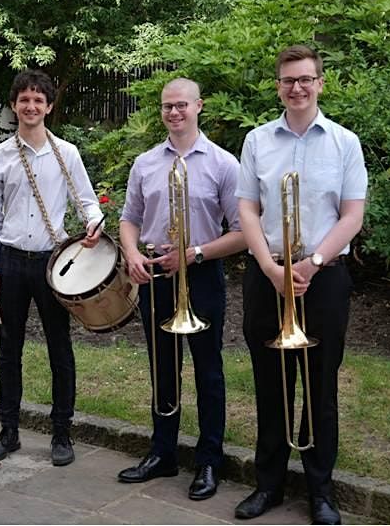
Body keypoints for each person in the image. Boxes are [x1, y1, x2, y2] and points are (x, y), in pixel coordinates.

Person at [234, 45, 367, 525]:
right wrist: (271, 268)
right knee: (271, 386)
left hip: (323, 279)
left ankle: (320, 489)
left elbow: (353, 214)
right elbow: (247, 208)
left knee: (319, 387)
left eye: (306, 79)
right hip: (266, 275)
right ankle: (267, 485)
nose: (297, 87)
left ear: (320, 83)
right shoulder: (256, 141)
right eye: (289, 80)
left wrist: (312, 262)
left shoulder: (343, 142)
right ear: (278, 86)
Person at [117, 78, 245, 500]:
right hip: (154, 273)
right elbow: (130, 218)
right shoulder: (146, 163)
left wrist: (194, 254)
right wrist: (132, 254)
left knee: (208, 372)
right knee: (162, 369)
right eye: (167, 106)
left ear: (198, 107)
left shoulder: (224, 164)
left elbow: (243, 233)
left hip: (202, 275)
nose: (174, 113)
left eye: (181, 105)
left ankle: (210, 461)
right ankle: (163, 452)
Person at [0, 69, 104, 466]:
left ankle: (62, 433)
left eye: (38, 100)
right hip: (11, 262)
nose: (30, 106)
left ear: (49, 106)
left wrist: (93, 225)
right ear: (14, 105)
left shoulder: (66, 153)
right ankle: (9, 430)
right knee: (8, 350)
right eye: (23, 99)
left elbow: (88, 202)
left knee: (59, 349)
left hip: (55, 264)